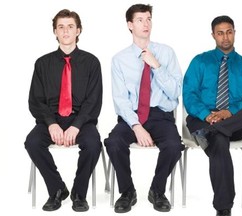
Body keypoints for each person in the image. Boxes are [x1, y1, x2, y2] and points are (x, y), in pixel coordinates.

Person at [183, 15, 242, 216]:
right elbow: (189, 94)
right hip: (201, 118)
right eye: (220, 33)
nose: (225, 37)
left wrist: (228, 113)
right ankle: (224, 209)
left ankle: (212, 131)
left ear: (235, 33)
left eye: (229, 32)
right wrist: (207, 115)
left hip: (233, 120)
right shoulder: (200, 61)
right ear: (213, 35)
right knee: (220, 141)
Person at [104, 4, 184, 213]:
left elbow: (176, 91)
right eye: (140, 20)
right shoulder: (119, 60)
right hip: (132, 116)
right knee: (113, 143)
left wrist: (156, 66)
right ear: (130, 25)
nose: (146, 23)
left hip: (161, 115)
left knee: (174, 145)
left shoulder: (166, 53)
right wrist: (136, 126)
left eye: (148, 19)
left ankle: (157, 191)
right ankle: (127, 192)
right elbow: (120, 100)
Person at [24, 9, 103, 212]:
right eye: (61, 27)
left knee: (93, 144)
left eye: (70, 26)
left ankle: (79, 193)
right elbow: (36, 101)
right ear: (55, 32)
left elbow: (93, 101)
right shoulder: (42, 64)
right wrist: (51, 124)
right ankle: (57, 189)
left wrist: (76, 126)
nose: (65, 31)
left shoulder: (92, 63)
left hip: (81, 120)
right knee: (32, 142)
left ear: (78, 30)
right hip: (51, 119)